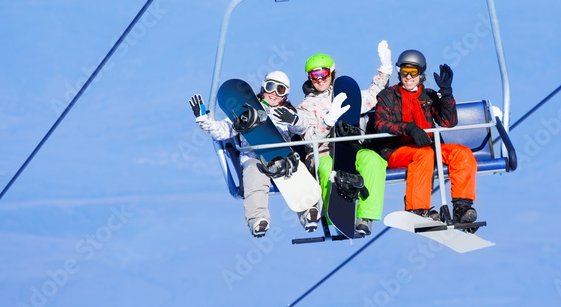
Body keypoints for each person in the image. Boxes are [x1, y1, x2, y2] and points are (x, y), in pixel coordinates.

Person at [190, 71, 318, 237]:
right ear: (263, 87)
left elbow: (303, 127)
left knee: (294, 170)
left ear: (285, 94)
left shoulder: (287, 112)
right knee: (254, 174)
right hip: (254, 156)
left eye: (280, 90)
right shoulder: (246, 110)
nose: (273, 93)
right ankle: (258, 219)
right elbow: (222, 131)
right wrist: (203, 120)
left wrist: (294, 120)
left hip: (281, 156)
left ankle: (309, 212)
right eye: (270, 87)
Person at [370, 49, 478, 225]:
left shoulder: (428, 96)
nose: (409, 77)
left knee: (462, 153)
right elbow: (380, 123)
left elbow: (448, 121)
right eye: (405, 71)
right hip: (397, 151)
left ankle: (462, 207)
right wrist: (409, 128)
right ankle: (417, 209)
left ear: (421, 74)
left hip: (429, 146)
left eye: (414, 72)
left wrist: (446, 94)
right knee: (424, 155)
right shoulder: (388, 96)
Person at [298, 42, 391, 236]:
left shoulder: (346, 95)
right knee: (325, 168)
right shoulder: (306, 107)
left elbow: (374, 95)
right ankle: (335, 215)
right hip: (322, 152)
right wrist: (327, 121)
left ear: (331, 73)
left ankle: (365, 216)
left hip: (350, 149)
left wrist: (384, 69)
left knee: (374, 161)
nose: (319, 79)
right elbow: (308, 140)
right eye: (314, 75)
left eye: (323, 73)